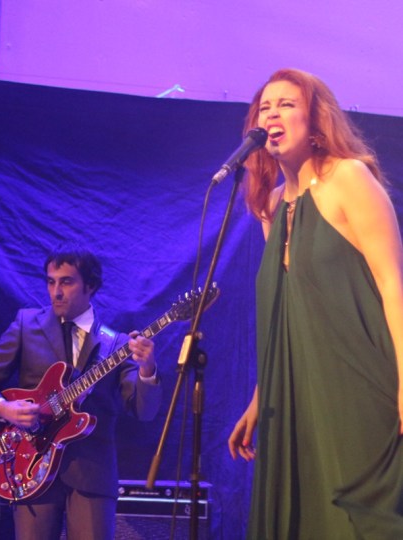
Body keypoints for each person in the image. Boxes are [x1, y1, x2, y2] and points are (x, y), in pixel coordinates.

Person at [227, 68, 403, 538]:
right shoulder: (272, 207)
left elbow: (393, 285)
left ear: (316, 120)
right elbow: (287, 314)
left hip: (359, 384)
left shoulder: (349, 178)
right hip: (295, 395)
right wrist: (260, 398)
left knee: (363, 518)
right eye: (265, 108)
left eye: (286, 104)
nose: (272, 115)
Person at [0, 244, 162, 540]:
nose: (56, 292)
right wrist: (5, 409)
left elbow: (144, 411)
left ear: (90, 286)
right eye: (51, 282)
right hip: (29, 463)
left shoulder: (116, 344)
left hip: (91, 473)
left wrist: (147, 369)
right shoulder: (26, 324)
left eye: (66, 282)